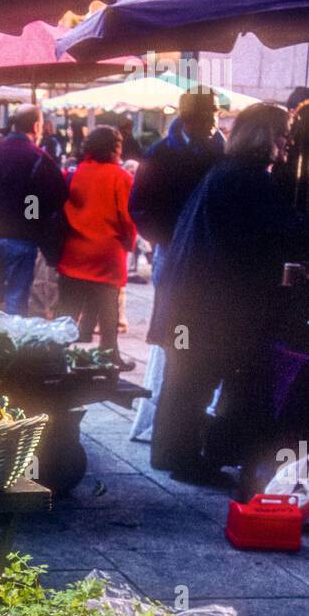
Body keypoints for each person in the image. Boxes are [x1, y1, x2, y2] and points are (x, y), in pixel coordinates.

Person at [151, 103, 309, 487]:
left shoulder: (225, 172)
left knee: (184, 380)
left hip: (189, 298)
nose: (287, 144)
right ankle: (186, 460)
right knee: (195, 381)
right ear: (266, 136)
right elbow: (286, 231)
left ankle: (171, 453)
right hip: (208, 305)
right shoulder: (248, 178)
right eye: (283, 135)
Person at [128, 88, 225, 441]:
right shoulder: (161, 153)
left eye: (216, 112)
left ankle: (188, 415)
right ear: (188, 119)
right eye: (208, 114)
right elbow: (139, 207)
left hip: (210, 253)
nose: (215, 120)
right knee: (177, 326)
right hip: (174, 251)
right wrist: (166, 238)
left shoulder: (220, 147)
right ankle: (169, 414)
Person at [0, 107, 67, 316]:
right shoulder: (37, 157)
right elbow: (50, 197)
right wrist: (31, 218)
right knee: (16, 299)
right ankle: (10, 346)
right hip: (20, 237)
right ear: (36, 127)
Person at [56, 125, 136, 368]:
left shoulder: (72, 172)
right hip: (107, 253)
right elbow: (127, 215)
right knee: (108, 310)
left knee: (67, 310)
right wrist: (129, 242)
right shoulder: (121, 177)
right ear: (115, 149)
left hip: (74, 251)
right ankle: (109, 355)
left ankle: (57, 354)